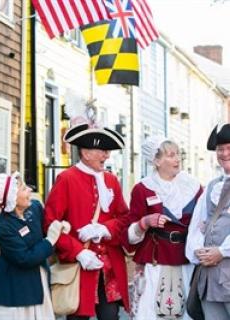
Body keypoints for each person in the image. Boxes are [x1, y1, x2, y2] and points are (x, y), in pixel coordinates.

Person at [44, 122, 130, 320]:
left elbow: (125, 218)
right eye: (102, 150)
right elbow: (50, 224)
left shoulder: (111, 180)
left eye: (108, 151)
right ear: (86, 152)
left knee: (110, 317)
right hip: (80, 268)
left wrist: (104, 229)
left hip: (108, 270)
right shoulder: (66, 179)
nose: (107, 156)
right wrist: (79, 252)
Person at [124, 136, 202, 320]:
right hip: (155, 262)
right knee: (152, 312)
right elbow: (130, 236)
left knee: (186, 313)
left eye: (178, 155)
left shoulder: (194, 187)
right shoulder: (143, 189)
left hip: (186, 260)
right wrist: (145, 222)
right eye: (171, 155)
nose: (177, 159)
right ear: (157, 161)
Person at [0, 171, 69, 320]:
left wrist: (59, 226)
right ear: (12, 198)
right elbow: (24, 258)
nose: (29, 190)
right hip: (13, 287)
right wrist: (50, 240)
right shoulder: (3, 227)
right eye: (23, 189)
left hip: (36, 279)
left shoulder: (34, 208)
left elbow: (47, 225)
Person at [186, 123, 230, 320]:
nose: (224, 153)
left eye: (229, 148)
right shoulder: (212, 186)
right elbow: (198, 222)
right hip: (211, 276)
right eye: (220, 149)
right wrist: (198, 251)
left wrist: (221, 251)